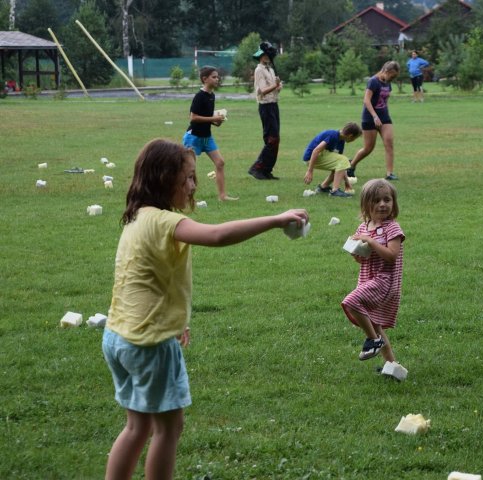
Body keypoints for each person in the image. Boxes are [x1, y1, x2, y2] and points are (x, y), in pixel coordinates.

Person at [102, 138, 308, 480]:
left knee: (138, 427)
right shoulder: (165, 222)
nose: (194, 185)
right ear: (165, 179)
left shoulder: (138, 217)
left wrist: (175, 322)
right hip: (150, 344)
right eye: (189, 178)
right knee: (169, 428)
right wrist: (275, 219)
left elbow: (144, 281)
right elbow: (216, 235)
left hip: (119, 337)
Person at [342, 178, 405, 366]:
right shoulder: (363, 227)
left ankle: (373, 341)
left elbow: (391, 255)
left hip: (384, 282)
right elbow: (363, 259)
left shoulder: (392, 228)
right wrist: (356, 252)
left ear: (393, 202)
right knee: (375, 324)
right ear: (366, 204)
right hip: (366, 279)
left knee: (351, 302)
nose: (382, 204)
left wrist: (370, 242)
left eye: (387, 200)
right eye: (376, 201)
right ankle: (391, 365)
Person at [183, 66, 238, 201]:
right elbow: (193, 117)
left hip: (207, 137)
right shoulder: (199, 96)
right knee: (188, 168)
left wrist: (217, 121)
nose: (217, 79)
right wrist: (213, 118)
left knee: (220, 163)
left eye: (217, 77)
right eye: (214, 77)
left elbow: (207, 117)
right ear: (204, 79)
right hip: (194, 137)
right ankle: (182, 196)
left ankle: (222, 196)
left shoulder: (211, 96)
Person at [347, 61, 400, 182]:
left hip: (384, 117)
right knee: (368, 148)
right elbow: (366, 100)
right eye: (392, 76)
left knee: (389, 143)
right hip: (370, 117)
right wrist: (375, 116)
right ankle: (351, 165)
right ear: (386, 71)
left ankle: (390, 173)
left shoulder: (387, 83)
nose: (392, 79)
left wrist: (384, 115)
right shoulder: (373, 81)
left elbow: (384, 100)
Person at [248, 44, 282, 180]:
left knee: (275, 139)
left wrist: (278, 86)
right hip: (265, 107)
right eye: (265, 55)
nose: (267, 57)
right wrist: (275, 85)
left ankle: (267, 170)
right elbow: (262, 90)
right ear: (260, 56)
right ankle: (257, 168)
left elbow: (275, 89)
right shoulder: (259, 70)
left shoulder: (271, 70)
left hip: (274, 105)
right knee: (271, 138)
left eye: (268, 55)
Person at [303, 122, 362, 197]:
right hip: (311, 157)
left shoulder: (341, 141)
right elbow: (316, 151)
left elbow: (341, 167)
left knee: (340, 163)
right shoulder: (332, 135)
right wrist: (310, 171)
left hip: (319, 156)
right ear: (350, 136)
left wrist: (347, 183)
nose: (353, 140)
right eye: (355, 138)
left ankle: (323, 187)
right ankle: (335, 191)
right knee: (344, 160)